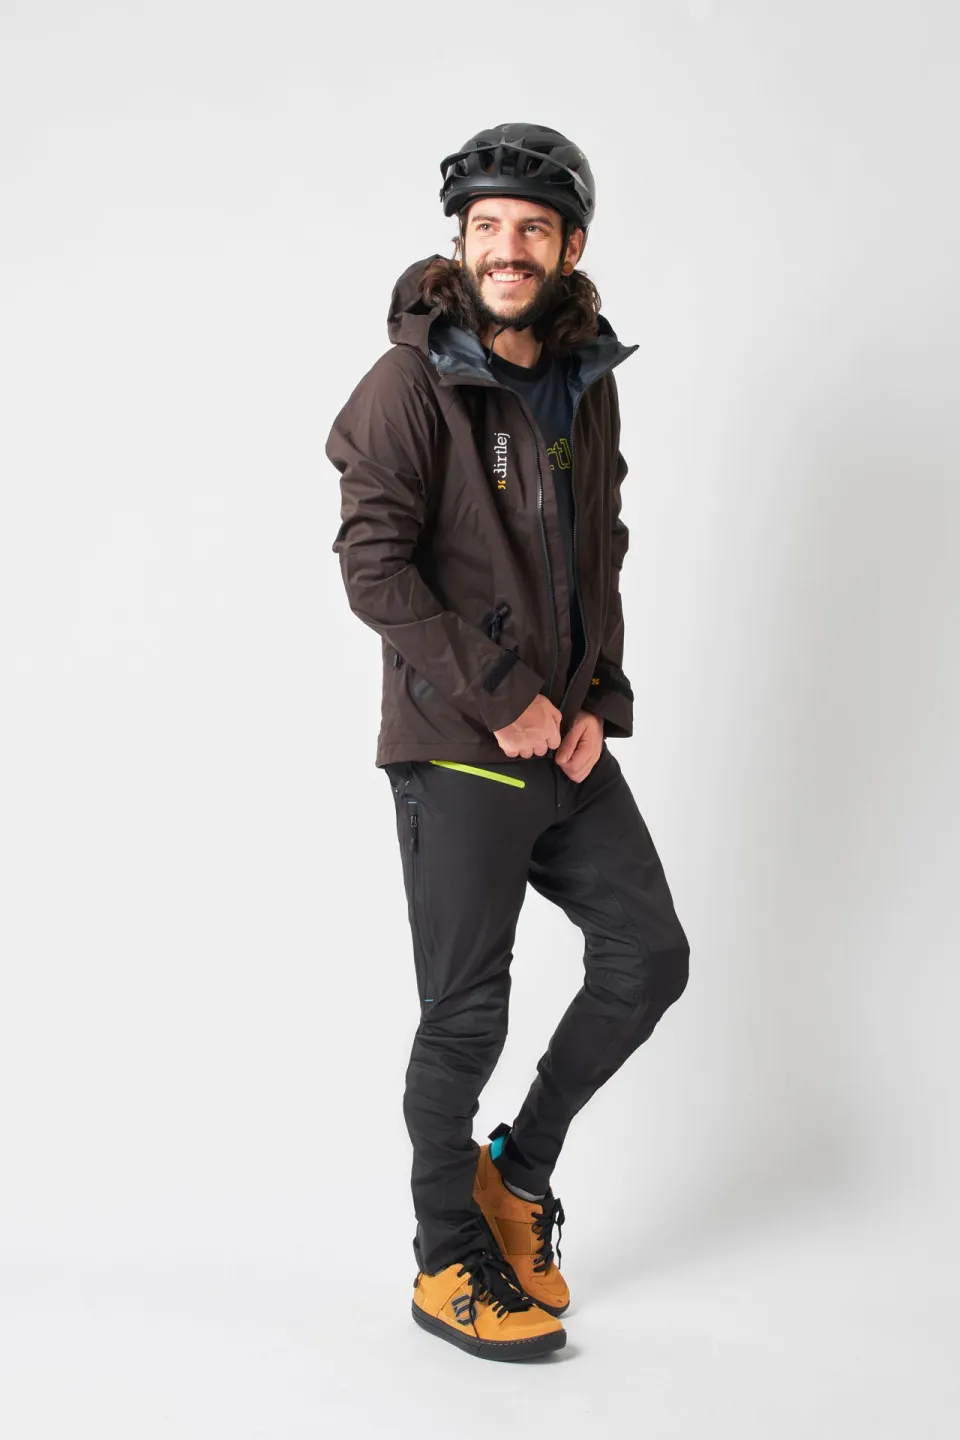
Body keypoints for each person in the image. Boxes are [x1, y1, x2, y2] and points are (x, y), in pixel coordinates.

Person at [326, 122, 690, 1361]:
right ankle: (446, 1261)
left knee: (648, 958)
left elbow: (601, 551)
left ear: (569, 246)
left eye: (532, 227)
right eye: (486, 226)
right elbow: (373, 570)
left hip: (565, 745)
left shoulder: (587, 377)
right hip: (457, 744)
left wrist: (595, 699)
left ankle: (516, 1174)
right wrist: (501, 695)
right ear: (460, 240)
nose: (506, 248)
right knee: (465, 1017)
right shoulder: (408, 385)